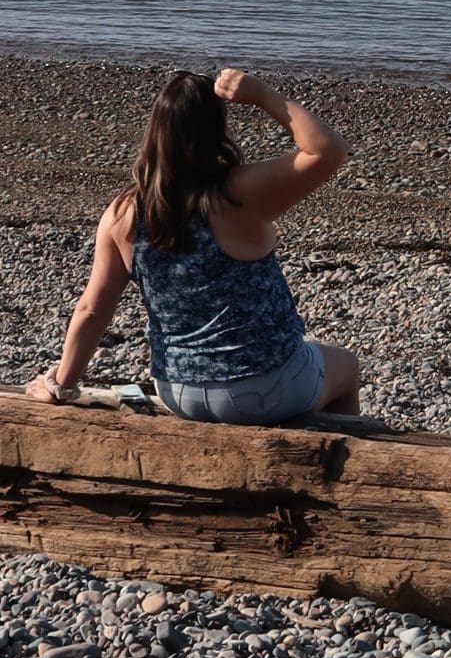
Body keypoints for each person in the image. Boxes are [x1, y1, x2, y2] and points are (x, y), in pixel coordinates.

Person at [23, 66, 361, 422]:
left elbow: (92, 310)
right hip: (266, 388)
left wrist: (61, 384)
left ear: (156, 131)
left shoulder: (124, 214)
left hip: (179, 391)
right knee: (346, 366)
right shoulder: (240, 194)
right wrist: (263, 96)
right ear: (216, 132)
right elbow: (328, 150)